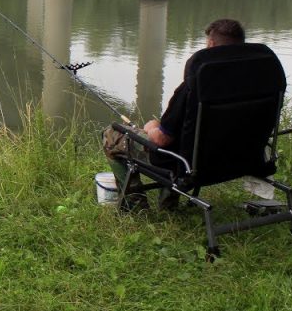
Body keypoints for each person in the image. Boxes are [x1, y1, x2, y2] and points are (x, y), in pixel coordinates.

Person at [103, 18, 247, 210]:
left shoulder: (193, 88)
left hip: (187, 164)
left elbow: (162, 140)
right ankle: (167, 205)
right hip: (236, 158)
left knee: (112, 135)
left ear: (211, 45)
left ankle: (135, 206)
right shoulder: (254, 82)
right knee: (177, 139)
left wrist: (151, 128)